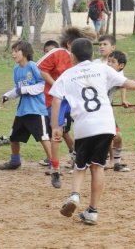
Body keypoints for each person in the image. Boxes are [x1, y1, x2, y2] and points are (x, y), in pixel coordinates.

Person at [51, 38, 135, 225]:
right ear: (92, 55)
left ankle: (75, 196)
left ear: (72, 56)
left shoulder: (68, 74)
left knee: (80, 166)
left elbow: (55, 100)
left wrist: (56, 126)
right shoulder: (103, 68)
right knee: (98, 167)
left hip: (84, 127)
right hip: (105, 125)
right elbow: (125, 81)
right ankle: (92, 211)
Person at [37, 28, 96, 188]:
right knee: (57, 131)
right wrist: (57, 86)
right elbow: (40, 68)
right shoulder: (57, 53)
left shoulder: (82, 60)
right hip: (56, 100)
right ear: (70, 44)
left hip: (75, 99)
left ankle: (82, 158)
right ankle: (55, 168)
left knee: (84, 127)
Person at [0, 41, 51, 171]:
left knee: (43, 137)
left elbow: (43, 85)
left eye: (16, 51)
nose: (13, 54)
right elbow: (18, 88)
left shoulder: (33, 66)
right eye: (12, 51)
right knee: (14, 137)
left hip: (37, 109)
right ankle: (15, 161)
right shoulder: (16, 69)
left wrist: (25, 90)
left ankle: (53, 163)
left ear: (25, 53)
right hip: (22, 110)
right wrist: (7, 96)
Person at [106, 50, 131, 172]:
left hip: (106, 111)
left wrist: (124, 99)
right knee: (107, 137)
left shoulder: (119, 75)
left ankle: (116, 163)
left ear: (120, 66)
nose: (109, 64)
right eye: (108, 61)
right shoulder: (102, 72)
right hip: (97, 111)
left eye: (112, 62)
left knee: (117, 136)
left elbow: (124, 84)